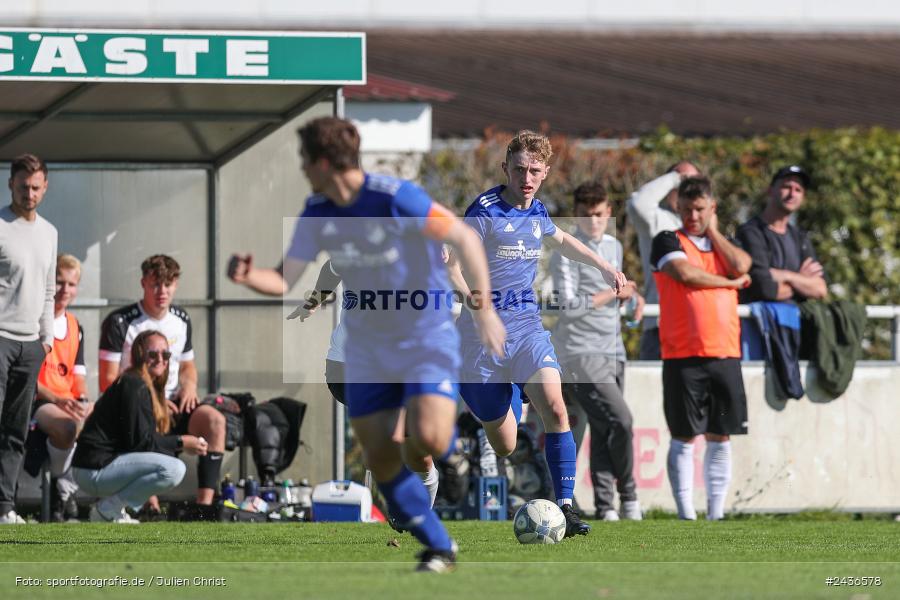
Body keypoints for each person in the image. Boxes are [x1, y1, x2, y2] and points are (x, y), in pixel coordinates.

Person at [228, 116, 504, 572]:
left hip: (423, 336)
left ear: (321, 161)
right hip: (367, 350)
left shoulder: (396, 198)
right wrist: (247, 276)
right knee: (380, 455)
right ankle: (439, 545)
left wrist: (486, 308)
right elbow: (283, 278)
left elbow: (462, 236)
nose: (301, 169)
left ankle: (451, 454)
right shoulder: (318, 212)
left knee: (430, 438)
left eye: (303, 160)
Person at [447, 130, 627, 537]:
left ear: (545, 172)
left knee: (556, 407)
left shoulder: (538, 211)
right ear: (505, 169)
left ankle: (565, 506)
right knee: (506, 445)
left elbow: (561, 240)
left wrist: (603, 266)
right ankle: (510, 395)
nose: (525, 178)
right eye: (518, 170)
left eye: (534, 171)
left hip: (526, 326)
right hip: (480, 341)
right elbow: (451, 263)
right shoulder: (484, 211)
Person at [291, 261, 442, 513]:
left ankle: (418, 507)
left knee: (420, 455)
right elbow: (331, 269)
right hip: (344, 369)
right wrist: (315, 299)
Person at [649, 176, 752, 521]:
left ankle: (717, 513)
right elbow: (685, 274)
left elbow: (742, 265)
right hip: (683, 353)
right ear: (677, 208)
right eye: (687, 208)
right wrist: (730, 285)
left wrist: (715, 232)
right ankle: (686, 512)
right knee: (683, 435)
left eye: (700, 209)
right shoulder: (667, 240)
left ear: (712, 209)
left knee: (720, 435)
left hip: (724, 353)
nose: (693, 215)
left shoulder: (723, 245)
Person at [98, 255, 225, 509]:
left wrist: (189, 386)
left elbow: (187, 365)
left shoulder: (181, 319)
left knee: (215, 421)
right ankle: (148, 504)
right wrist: (154, 402)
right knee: (146, 426)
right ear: (143, 282)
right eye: (155, 284)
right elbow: (108, 380)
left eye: (168, 284)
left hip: (174, 404)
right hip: (136, 407)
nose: (162, 291)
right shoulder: (120, 321)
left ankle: (204, 509)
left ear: (176, 284)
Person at [549, 181, 643, 521]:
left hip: (613, 349)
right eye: (587, 215)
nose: (594, 221)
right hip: (579, 353)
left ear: (608, 212)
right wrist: (613, 294)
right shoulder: (566, 253)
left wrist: (634, 295)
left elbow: (621, 287)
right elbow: (568, 308)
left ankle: (606, 507)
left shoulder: (614, 246)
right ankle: (629, 497)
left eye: (600, 214)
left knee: (606, 427)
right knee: (622, 419)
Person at [72, 330, 208, 523]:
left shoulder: (143, 384)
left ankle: (112, 510)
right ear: (139, 355)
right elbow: (140, 443)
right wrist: (181, 441)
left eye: (166, 355)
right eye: (152, 354)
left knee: (168, 460)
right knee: (174, 469)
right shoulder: (134, 384)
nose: (160, 359)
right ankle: (108, 508)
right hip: (92, 469)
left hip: (97, 467)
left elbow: (139, 442)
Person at [0, 154, 56, 525]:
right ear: (10, 185)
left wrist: (46, 340)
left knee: (15, 432)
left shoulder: (49, 232)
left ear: (45, 187)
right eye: (23, 187)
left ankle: (6, 508)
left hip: (30, 346)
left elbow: (49, 290)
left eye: (36, 188)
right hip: (0, 339)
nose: (30, 194)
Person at [34, 254, 91, 521]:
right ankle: (63, 490)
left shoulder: (74, 325)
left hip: (65, 401)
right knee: (69, 427)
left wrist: (83, 398)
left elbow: (77, 374)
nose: (64, 290)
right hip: (39, 401)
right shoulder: (32, 321)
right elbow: (24, 379)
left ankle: (115, 504)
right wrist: (59, 400)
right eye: (58, 282)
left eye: (71, 284)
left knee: (109, 419)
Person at [626, 161, 701, 359]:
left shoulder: (706, 225)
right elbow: (638, 204)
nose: (687, 191)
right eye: (681, 185)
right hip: (661, 327)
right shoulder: (657, 219)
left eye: (693, 185)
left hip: (700, 327)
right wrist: (676, 177)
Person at [736, 165, 827, 305]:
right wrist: (802, 281)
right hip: (760, 323)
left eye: (798, 190)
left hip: (794, 324)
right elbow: (764, 288)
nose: (792, 194)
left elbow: (820, 289)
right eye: (786, 187)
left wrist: (785, 276)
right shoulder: (751, 232)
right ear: (770, 190)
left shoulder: (800, 238)